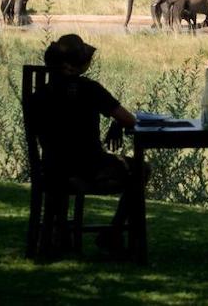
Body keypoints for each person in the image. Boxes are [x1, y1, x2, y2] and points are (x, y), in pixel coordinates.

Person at [40, 33, 139, 253]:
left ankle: (58, 233)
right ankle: (114, 233)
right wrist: (117, 125)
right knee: (141, 170)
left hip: (53, 168)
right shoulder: (90, 89)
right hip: (89, 168)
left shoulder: (42, 92)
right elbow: (128, 119)